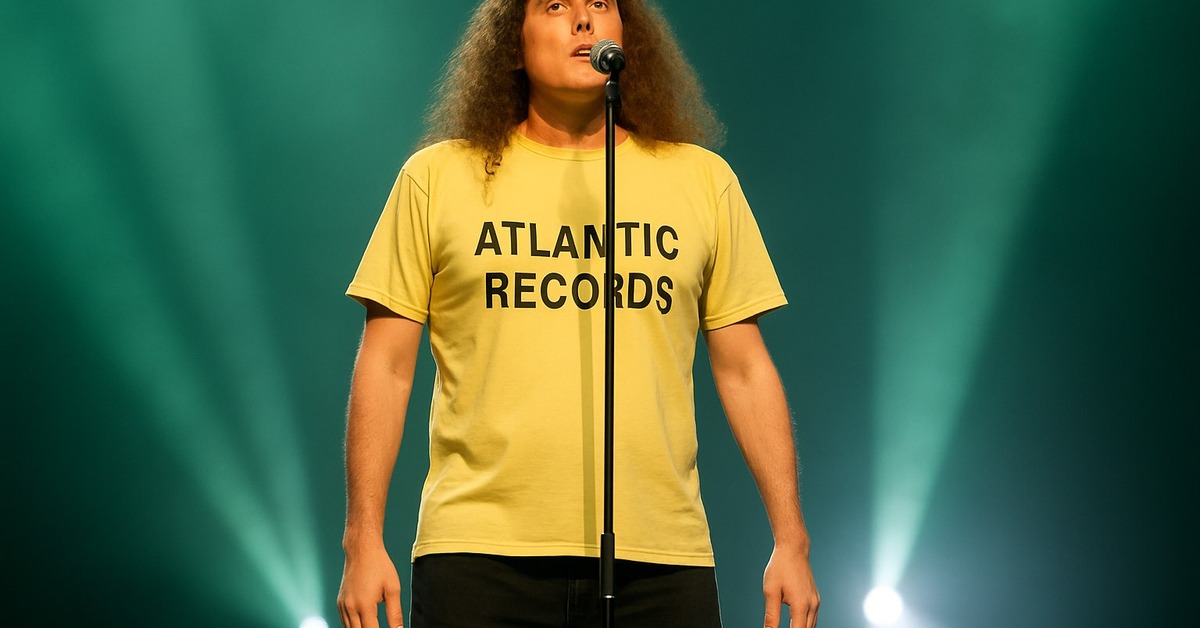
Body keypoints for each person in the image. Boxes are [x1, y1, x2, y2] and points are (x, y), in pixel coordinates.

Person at [336, 1, 820, 626]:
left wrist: (792, 540)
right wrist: (362, 540)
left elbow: (746, 370)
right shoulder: (437, 178)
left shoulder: (703, 181)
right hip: (479, 557)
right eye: (556, 4)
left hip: (660, 558)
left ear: (627, 36)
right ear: (511, 43)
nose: (584, 21)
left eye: (600, 3)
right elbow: (387, 364)